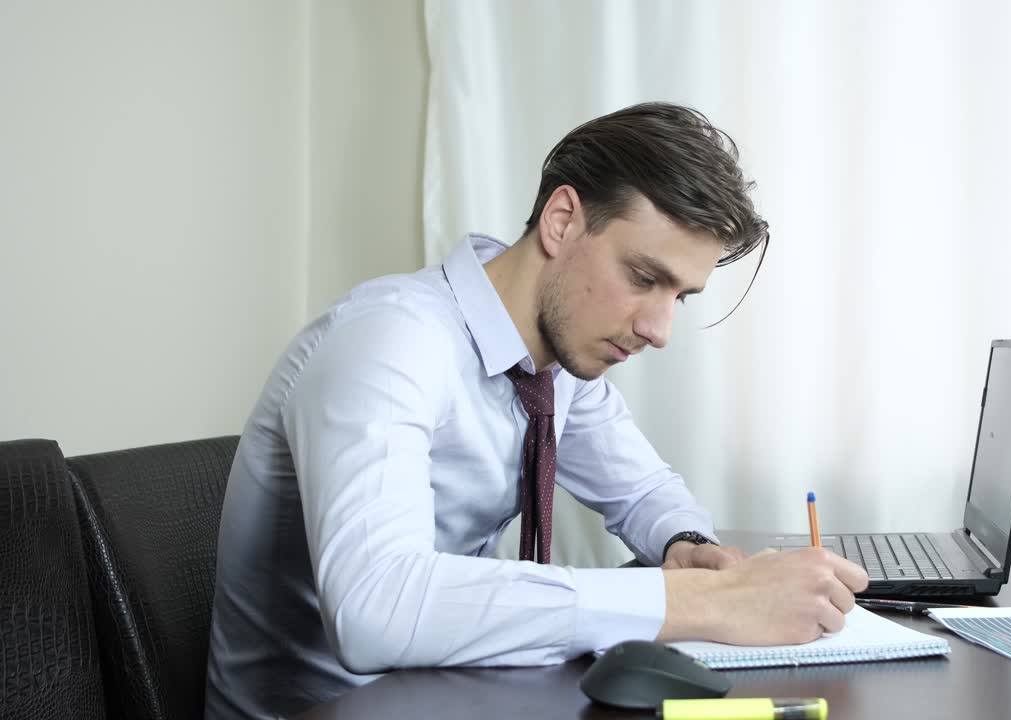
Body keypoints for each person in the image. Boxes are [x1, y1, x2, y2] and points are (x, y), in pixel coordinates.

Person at [204, 102, 869, 720]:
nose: (661, 328)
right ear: (561, 221)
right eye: (644, 278)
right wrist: (697, 604)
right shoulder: (391, 342)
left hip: (449, 694)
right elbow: (375, 609)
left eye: (680, 296)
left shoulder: (556, 360)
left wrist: (687, 547)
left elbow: (643, 490)